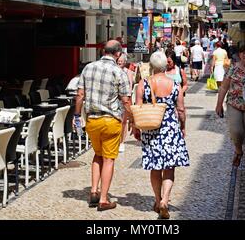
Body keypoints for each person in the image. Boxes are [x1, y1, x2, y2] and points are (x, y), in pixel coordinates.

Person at [74, 40, 131, 211]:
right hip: (110, 120)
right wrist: (133, 119)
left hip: (92, 121)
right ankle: (104, 199)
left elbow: (80, 95)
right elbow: (126, 100)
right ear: (118, 54)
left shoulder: (88, 68)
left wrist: (77, 115)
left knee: (97, 155)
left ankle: (93, 191)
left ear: (103, 51)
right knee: (108, 159)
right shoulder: (118, 72)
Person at [132, 51, 189, 219]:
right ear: (165, 65)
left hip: (151, 129)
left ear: (151, 66)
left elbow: (138, 107)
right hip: (170, 129)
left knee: (155, 167)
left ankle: (157, 200)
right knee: (169, 168)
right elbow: (181, 109)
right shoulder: (175, 85)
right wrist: (183, 126)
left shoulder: (143, 84)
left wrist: (136, 128)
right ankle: (165, 200)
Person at [116, 53, 134, 153]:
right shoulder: (113, 71)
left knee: (123, 122)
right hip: (114, 100)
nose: (120, 62)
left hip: (124, 99)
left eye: (122, 61)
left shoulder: (129, 73)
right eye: (118, 60)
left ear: (125, 62)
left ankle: (122, 142)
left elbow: (129, 88)